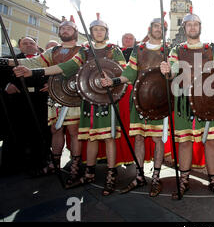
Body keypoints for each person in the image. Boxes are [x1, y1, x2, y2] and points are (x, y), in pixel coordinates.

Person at [14, 13, 127, 196]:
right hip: (89, 98)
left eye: (102, 29)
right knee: (90, 136)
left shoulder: (114, 49)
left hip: (107, 97)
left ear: (106, 32)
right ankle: (89, 173)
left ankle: (111, 176)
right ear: (91, 32)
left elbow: (123, 70)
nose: (99, 32)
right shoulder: (84, 51)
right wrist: (35, 72)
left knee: (109, 137)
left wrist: (113, 80)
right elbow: (65, 68)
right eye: (95, 29)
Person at [1, 17, 82, 185]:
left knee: (74, 132)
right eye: (62, 28)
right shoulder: (52, 52)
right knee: (55, 130)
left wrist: (35, 72)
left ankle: (75, 168)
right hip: (55, 95)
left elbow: (69, 68)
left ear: (75, 32)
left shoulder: (83, 50)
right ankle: (55, 164)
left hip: (74, 96)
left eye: (68, 28)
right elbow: (32, 62)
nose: (65, 30)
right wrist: (5, 61)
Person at [160, 9, 214, 199]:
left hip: (208, 99)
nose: (192, 27)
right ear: (184, 27)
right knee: (184, 142)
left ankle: (213, 181)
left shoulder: (211, 48)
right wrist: (168, 71)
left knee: (211, 142)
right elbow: (174, 68)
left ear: (200, 27)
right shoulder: (177, 49)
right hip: (183, 101)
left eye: (195, 24)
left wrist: (205, 73)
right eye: (189, 24)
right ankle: (184, 181)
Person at [101, 18, 169, 197]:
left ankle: (155, 177)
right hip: (139, 99)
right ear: (150, 29)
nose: (158, 30)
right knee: (138, 137)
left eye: (162, 28)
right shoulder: (139, 49)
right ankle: (139, 176)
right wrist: (113, 81)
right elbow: (129, 73)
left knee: (156, 139)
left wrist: (169, 70)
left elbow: (175, 73)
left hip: (159, 100)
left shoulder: (168, 49)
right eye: (156, 26)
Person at [0, 37, 50, 175]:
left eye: (31, 43)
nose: (28, 45)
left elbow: (55, 74)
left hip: (40, 101)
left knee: (40, 132)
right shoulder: (8, 60)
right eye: (25, 43)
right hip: (17, 102)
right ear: (20, 47)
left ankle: (39, 164)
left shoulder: (45, 61)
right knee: (16, 132)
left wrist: (51, 84)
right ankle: (12, 166)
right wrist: (6, 85)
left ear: (36, 46)